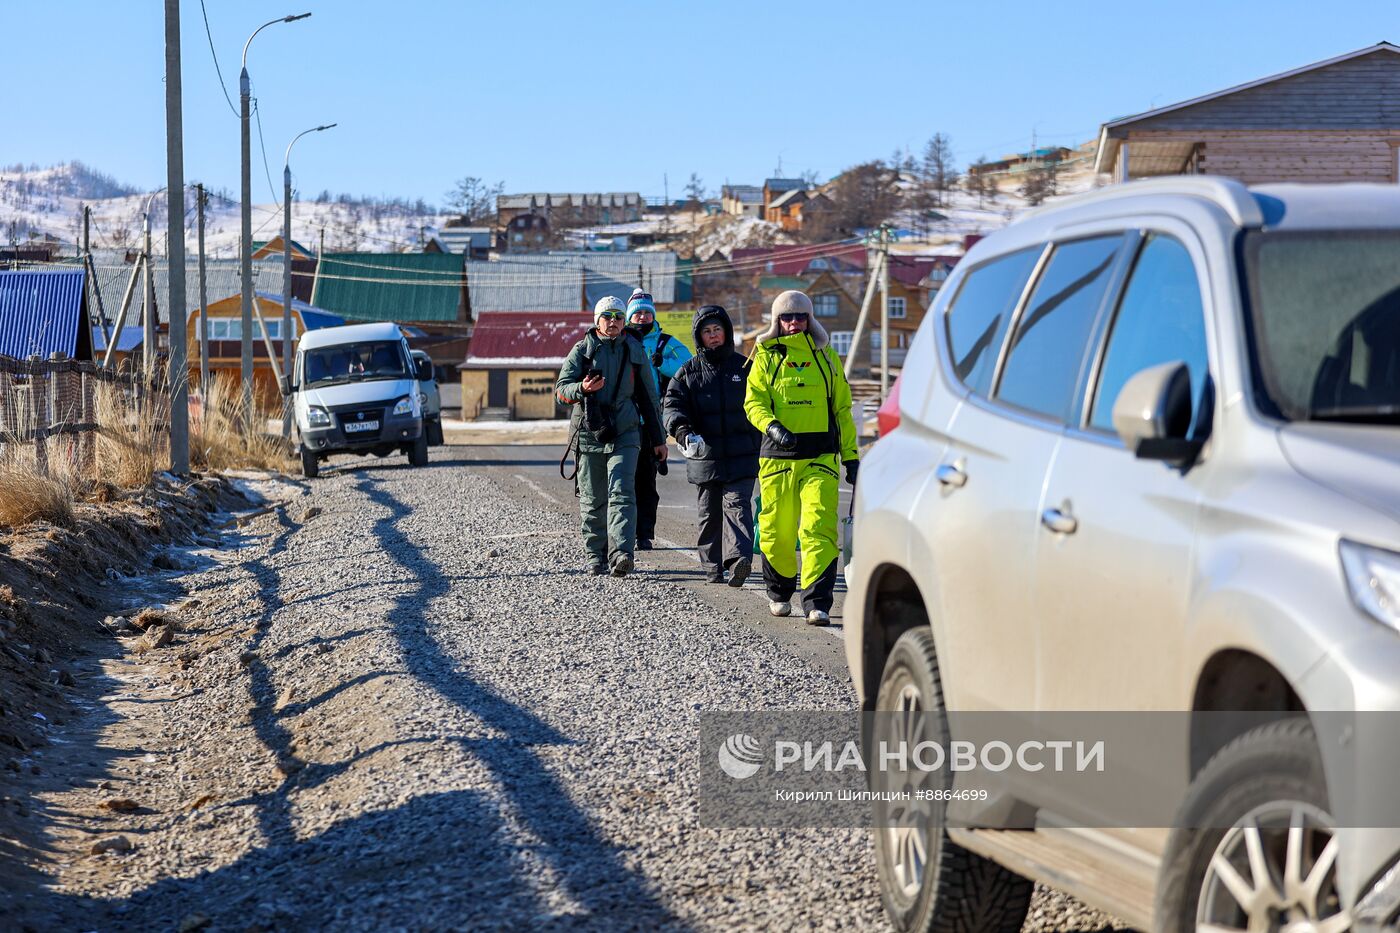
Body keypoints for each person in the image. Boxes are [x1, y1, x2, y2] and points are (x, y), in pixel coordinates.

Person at [744, 290, 859, 625]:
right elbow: (754, 402)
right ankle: (779, 591)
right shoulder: (765, 355)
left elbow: (842, 409)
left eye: (800, 317)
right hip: (778, 457)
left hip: (820, 457)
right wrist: (773, 427)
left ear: (810, 319)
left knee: (818, 529)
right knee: (776, 531)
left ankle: (817, 602)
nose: (794, 323)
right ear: (776, 321)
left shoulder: (827, 357)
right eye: (787, 317)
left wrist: (851, 457)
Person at [556, 296, 668, 576]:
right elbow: (561, 391)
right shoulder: (582, 350)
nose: (614, 322)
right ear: (597, 321)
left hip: (626, 432)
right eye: (608, 317)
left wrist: (658, 438)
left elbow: (648, 397)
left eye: (619, 317)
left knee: (622, 492)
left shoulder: (634, 349)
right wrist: (581, 388)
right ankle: (596, 555)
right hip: (588, 433)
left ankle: (622, 554)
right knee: (593, 498)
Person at [663, 305, 761, 586]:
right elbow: (672, 406)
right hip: (704, 455)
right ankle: (712, 568)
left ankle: (738, 561)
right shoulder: (687, 373)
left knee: (738, 506)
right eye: (707, 331)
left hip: (742, 453)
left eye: (718, 329)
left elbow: (764, 402)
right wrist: (682, 431)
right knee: (709, 514)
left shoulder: (745, 368)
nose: (713, 335)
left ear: (727, 332)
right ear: (699, 337)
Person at [625, 287, 692, 549]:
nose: (642, 317)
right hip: (625, 421)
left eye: (646, 313)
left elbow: (689, 369)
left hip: (653, 422)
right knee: (622, 481)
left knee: (646, 481)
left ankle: (644, 534)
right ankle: (623, 531)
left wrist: (662, 363)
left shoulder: (667, 343)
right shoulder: (621, 341)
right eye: (637, 313)